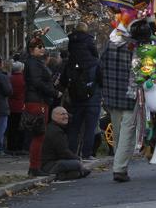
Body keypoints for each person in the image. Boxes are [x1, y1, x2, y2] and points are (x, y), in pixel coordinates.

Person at [100, 26, 139, 183]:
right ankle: (120, 168)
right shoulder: (133, 47)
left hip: (111, 94)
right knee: (127, 131)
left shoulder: (108, 46)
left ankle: (119, 162)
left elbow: (100, 68)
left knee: (117, 131)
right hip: (129, 93)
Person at [64, 23, 103, 159]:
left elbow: (64, 80)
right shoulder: (95, 63)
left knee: (74, 127)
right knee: (90, 128)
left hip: (76, 98)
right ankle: (87, 153)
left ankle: (71, 152)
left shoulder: (69, 63)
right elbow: (102, 80)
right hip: (93, 97)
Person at [24, 37, 57, 176]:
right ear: (32, 50)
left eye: (42, 46)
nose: (42, 49)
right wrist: (53, 92)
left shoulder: (36, 62)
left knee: (39, 136)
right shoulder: (33, 63)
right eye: (39, 47)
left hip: (40, 100)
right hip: (37, 101)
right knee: (39, 135)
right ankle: (35, 166)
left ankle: (36, 165)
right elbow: (37, 82)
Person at [41, 107, 90, 180]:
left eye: (66, 114)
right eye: (62, 114)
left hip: (51, 163)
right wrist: (77, 159)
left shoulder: (54, 128)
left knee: (76, 171)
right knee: (77, 164)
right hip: (50, 165)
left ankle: (63, 175)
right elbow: (63, 152)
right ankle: (74, 172)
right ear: (54, 116)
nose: (66, 116)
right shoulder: (56, 131)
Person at [7, 59, 26, 155]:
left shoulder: (9, 78)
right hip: (21, 105)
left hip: (10, 105)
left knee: (11, 127)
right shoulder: (24, 79)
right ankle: (19, 146)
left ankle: (11, 146)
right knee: (20, 127)